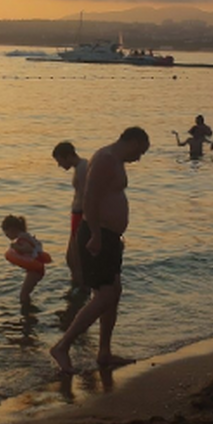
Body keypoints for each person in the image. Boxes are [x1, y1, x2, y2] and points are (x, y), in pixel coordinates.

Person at [49, 126, 150, 375]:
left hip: (110, 235)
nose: (139, 158)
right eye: (140, 151)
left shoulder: (114, 160)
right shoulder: (105, 159)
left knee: (114, 292)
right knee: (104, 294)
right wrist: (95, 235)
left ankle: (104, 352)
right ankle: (62, 346)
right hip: (99, 234)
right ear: (133, 141)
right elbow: (90, 199)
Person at [52, 141, 88, 289]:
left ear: (67, 156)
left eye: (59, 160)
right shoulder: (81, 166)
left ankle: (81, 288)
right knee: (71, 258)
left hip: (81, 215)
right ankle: (77, 285)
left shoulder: (82, 168)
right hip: (77, 214)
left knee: (76, 258)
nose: (59, 165)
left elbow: (88, 195)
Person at [1, 214, 51, 307]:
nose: (7, 236)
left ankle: (28, 314)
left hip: (35, 270)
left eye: (7, 234)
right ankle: (30, 311)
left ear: (12, 229)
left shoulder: (22, 239)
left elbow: (29, 249)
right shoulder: (26, 236)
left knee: (23, 294)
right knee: (26, 292)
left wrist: (16, 247)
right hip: (36, 269)